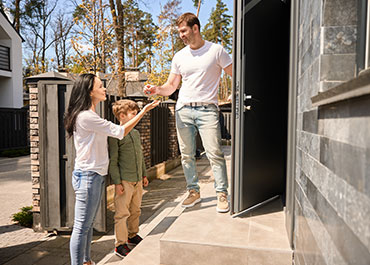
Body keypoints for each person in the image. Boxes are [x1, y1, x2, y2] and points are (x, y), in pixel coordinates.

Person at [64, 73, 159, 265]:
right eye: (100, 86)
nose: (104, 89)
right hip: (88, 176)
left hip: (94, 176)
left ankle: (86, 260)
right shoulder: (86, 117)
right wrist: (144, 110)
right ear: (90, 92)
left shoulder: (90, 115)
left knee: (87, 225)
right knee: (82, 227)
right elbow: (120, 131)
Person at [144, 12, 233, 213]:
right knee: (186, 155)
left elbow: (235, 74)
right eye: (179, 32)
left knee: (214, 153)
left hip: (208, 109)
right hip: (183, 109)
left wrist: (235, 93)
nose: (181, 35)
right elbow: (172, 86)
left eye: (184, 30)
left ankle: (222, 193)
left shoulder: (216, 51)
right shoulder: (179, 56)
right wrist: (157, 90)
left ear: (195, 28)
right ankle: (193, 191)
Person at [108, 99, 149, 258]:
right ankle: (120, 244)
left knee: (135, 210)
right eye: (134, 114)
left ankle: (132, 235)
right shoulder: (115, 134)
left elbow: (140, 156)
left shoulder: (136, 133)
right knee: (122, 213)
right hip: (124, 181)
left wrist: (144, 174)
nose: (137, 116)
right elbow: (113, 160)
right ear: (122, 115)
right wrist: (117, 182)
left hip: (138, 179)